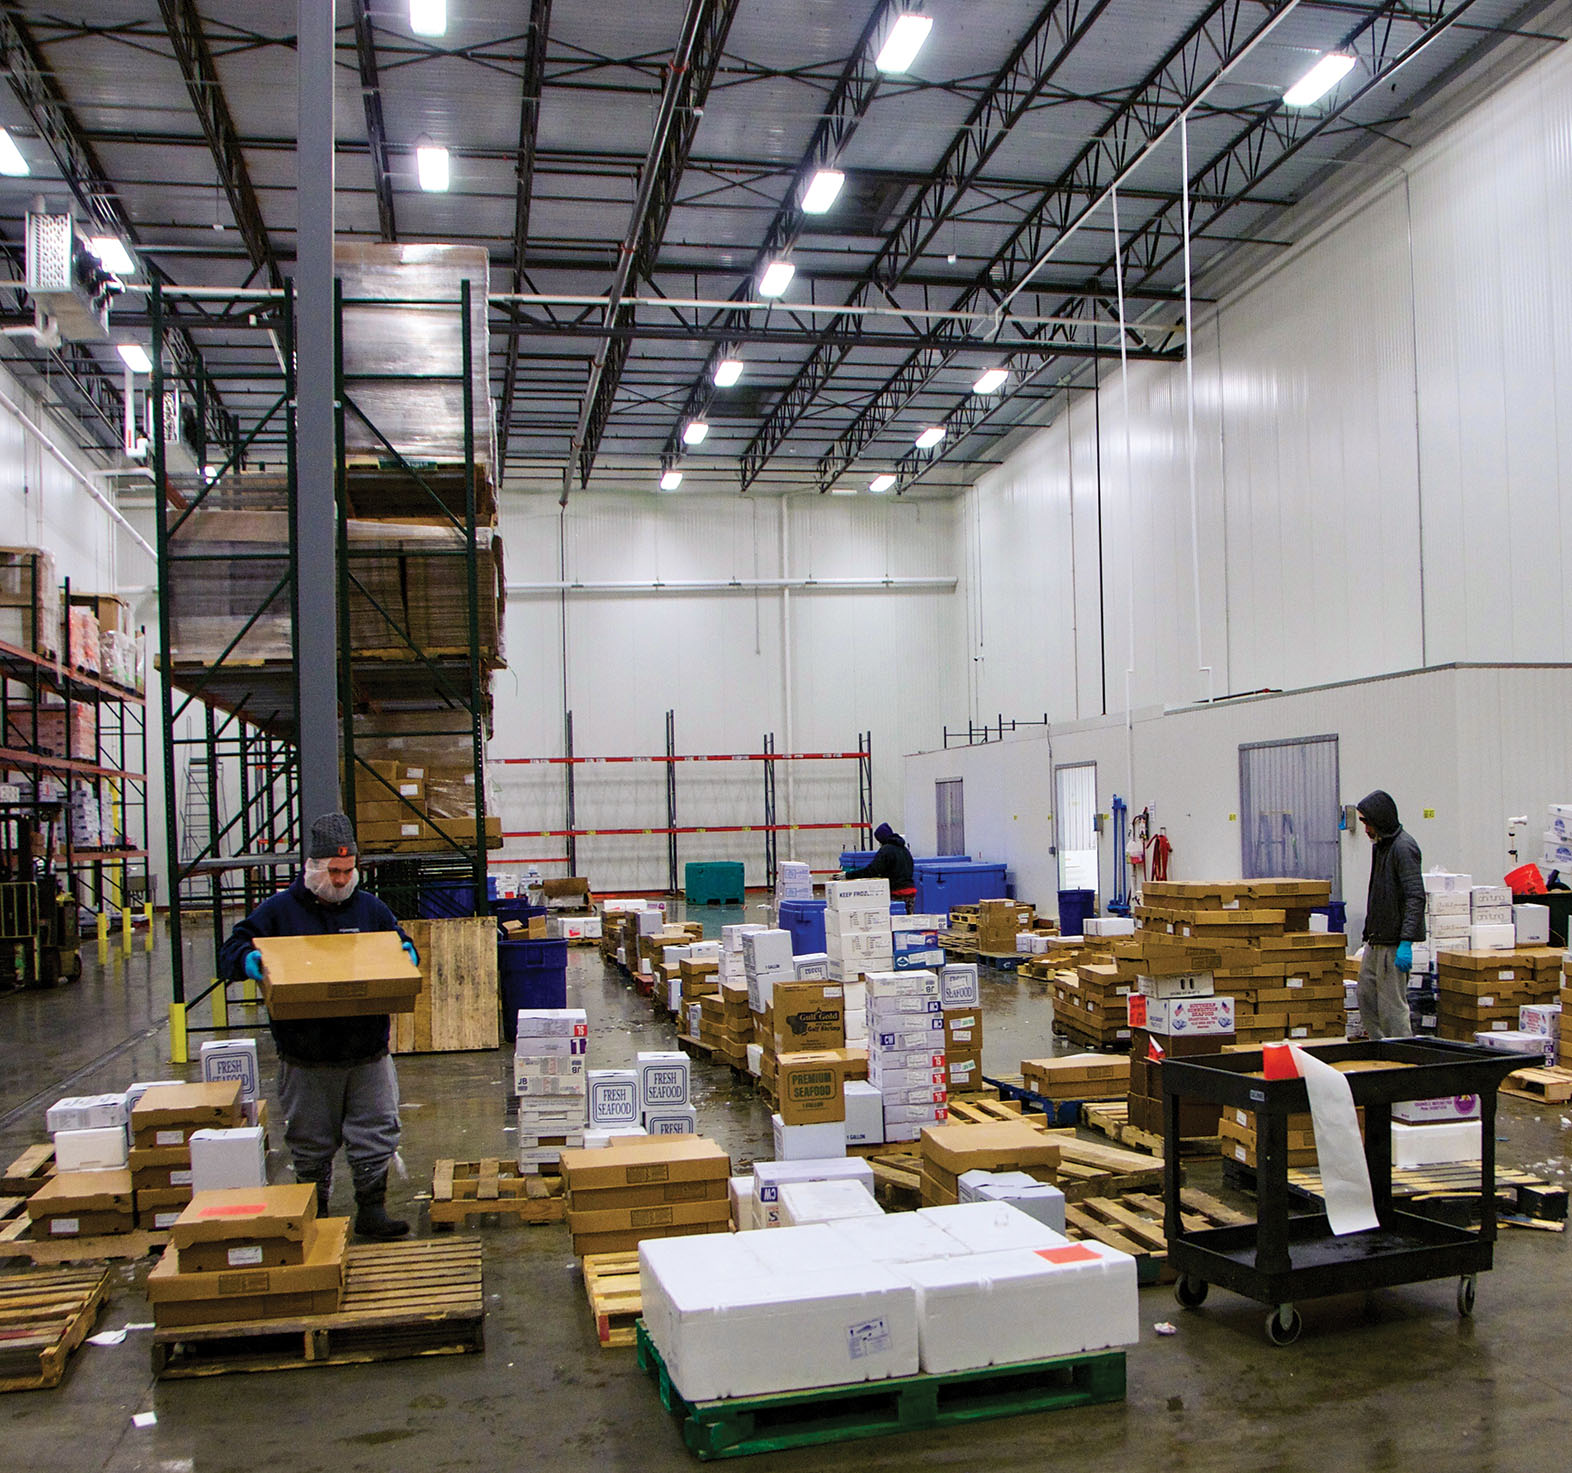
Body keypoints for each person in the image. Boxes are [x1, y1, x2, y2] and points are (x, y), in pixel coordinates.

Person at [220, 812, 419, 1239]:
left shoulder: (370, 908)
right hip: (306, 1057)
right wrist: (246, 960)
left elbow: (397, 939)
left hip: (367, 1051)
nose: (343, 880)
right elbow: (230, 949)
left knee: (376, 1130)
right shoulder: (279, 912)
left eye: (349, 871)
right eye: (334, 872)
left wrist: (405, 950)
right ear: (312, 868)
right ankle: (314, 1209)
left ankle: (371, 1210)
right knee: (309, 1141)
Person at [1356, 789, 1424, 1041]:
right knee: (1366, 996)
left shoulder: (1404, 848)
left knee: (1391, 1007)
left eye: (1367, 823)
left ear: (1380, 819)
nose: (1365, 830)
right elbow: (1377, 893)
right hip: (1376, 939)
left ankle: (1402, 1056)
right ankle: (1377, 1049)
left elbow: (1415, 897)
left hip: (1394, 942)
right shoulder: (1382, 846)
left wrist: (1406, 941)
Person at [845, 822, 915, 892]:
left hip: (896, 891)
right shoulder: (905, 850)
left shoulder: (885, 850)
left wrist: (848, 875)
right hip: (911, 890)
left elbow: (872, 871)